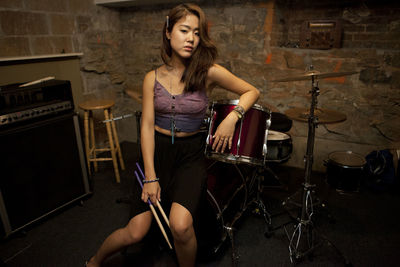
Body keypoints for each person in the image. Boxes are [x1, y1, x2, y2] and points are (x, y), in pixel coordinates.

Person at [87, 3, 260, 267]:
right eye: (184, 30)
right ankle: (94, 261)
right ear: (168, 32)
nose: (191, 38)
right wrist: (150, 176)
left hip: (190, 155)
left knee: (180, 226)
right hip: (155, 154)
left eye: (197, 33)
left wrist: (232, 118)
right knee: (136, 232)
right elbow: (146, 126)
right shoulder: (151, 78)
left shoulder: (208, 72)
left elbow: (251, 91)